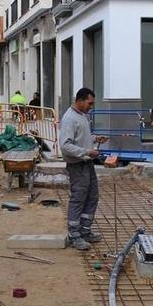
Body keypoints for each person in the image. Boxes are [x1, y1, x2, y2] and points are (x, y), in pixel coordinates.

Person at [59, 88, 108, 251]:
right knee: (78, 198)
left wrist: (94, 139)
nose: (91, 106)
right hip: (77, 165)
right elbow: (65, 146)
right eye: (90, 103)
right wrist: (87, 152)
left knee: (92, 196)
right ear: (80, 101)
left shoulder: (81, 116)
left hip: (86, 163)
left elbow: (80, 137)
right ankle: (74, 235)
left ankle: (85, 230)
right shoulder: (69, 118)